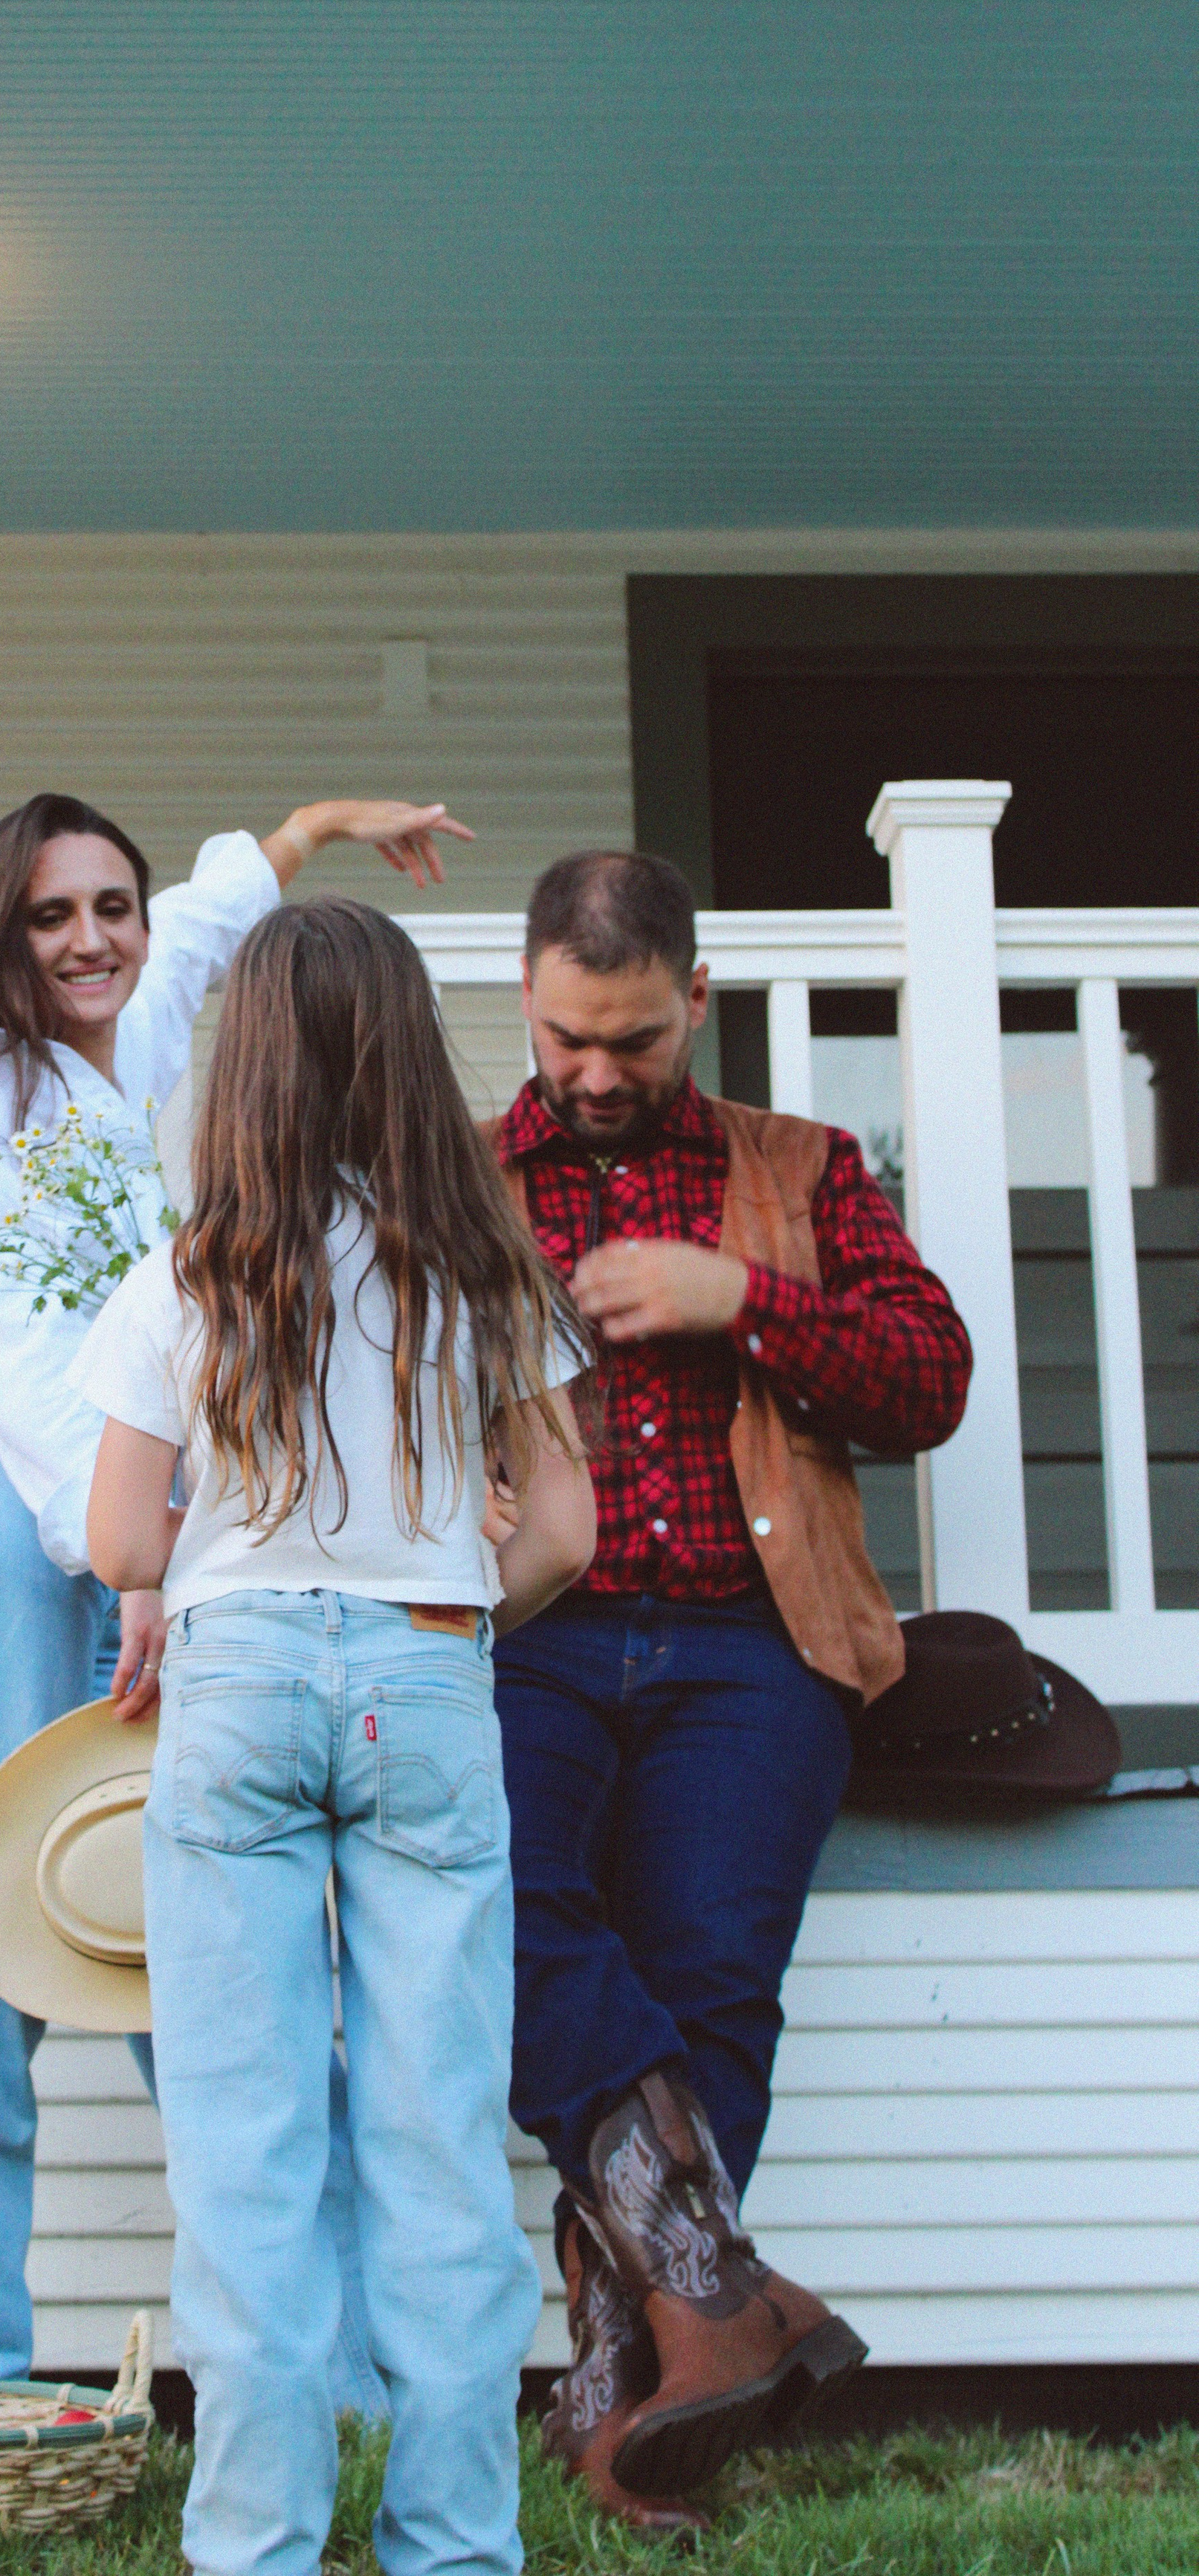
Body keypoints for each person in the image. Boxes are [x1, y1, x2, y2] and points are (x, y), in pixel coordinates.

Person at [0, 790, 468, 2387]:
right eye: (50, 917)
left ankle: (315, 2383)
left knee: (197, 1948)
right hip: (5, 1510)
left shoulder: (122, 1050)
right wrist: (132, 1555)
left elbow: (194, 937)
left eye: (107, 907)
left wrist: (311, 830)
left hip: (131, 1525)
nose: (91, 941)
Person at [72, 898, 598, 2576]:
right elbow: (566, 1536)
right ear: (408, 1063)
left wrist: (207, 1560)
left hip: (231, 1687)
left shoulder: (188, 1272)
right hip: (427, 1679)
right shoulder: (479, 1269)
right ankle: (454, 2543)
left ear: (243, 1075)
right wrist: (445, 1603)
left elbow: (116, 1542)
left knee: (245, 2152)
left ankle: (258, 2544)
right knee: (438, 2144)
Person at [488, 849, 974, 2531]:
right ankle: (720, 2302)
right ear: (526, 1002)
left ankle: (627, 2400)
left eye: (630, 1039)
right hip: (527, 1638)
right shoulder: (464, 1180)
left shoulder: (800, 1169)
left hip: (751, 1643)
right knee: (498, 1900)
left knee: (710, 1986)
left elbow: (929, 1380)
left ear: (692, 1001)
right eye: (565, 1039)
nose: (596, 1076)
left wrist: (739, 1301)